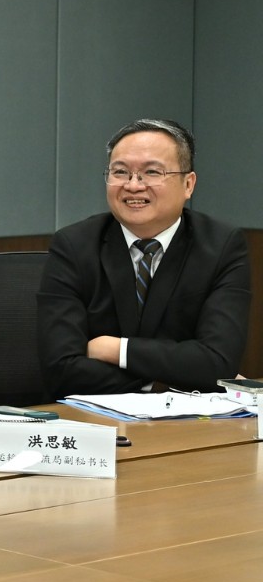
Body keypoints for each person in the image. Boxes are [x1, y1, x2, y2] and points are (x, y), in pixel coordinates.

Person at [37, 118, 249, 397]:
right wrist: (164, 382)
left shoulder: (221, 246)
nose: (133, 185)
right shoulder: (74, 245)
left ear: (188, 184)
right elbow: (60, 369)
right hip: (94, 417)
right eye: (120, 172)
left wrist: (115, 349)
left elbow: (217, 362)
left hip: (186, 420)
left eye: (151, 172)